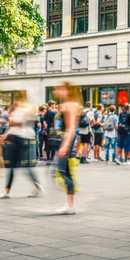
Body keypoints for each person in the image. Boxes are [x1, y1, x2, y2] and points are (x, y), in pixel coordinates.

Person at [0, 100, 44, 199]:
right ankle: (37, 187)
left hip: (18, 139)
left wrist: (6, 134)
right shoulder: (27, 111)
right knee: (24, 166)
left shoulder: (19, 111)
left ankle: (7, 191)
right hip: (27, 138)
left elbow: (18, 124)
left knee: (12, 166)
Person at [53, 82, 81, 214]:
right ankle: (70, 205)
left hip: (67, 140)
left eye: (59, 89)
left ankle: (70, 205)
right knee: (65, 172)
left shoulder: (70, 105)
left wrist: (65, 145)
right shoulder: (72, 104)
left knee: (62, 172)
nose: (56, 91)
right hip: (69, 140)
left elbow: (71, 128)